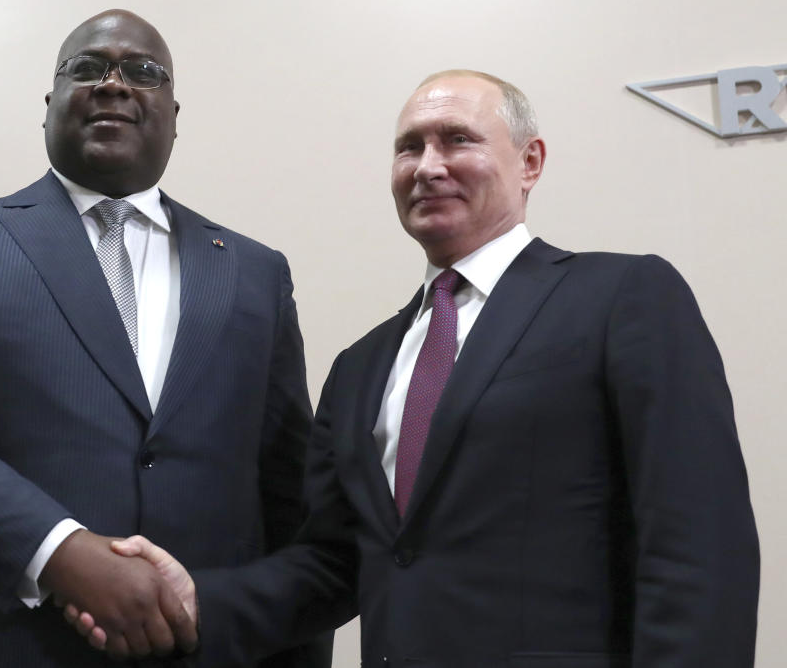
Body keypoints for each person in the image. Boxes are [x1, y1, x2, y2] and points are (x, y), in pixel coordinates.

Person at [73, 70, 761, 668]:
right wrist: (196, 599)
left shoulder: (623, 298)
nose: (428, 165)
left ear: (530, 161)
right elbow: (334, 564)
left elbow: (697, 547)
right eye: (410, 147)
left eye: (457, 139)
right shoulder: (362, 366)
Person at [0, 9, 331, 668]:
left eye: (143, 72)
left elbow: (288, 500)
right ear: (49, 105)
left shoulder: (255, 273)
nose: (113, 83)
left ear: (173, 111)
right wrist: (60, 552)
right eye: (86, 69)